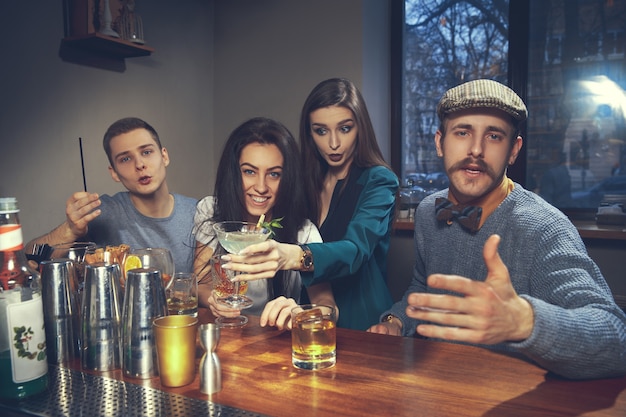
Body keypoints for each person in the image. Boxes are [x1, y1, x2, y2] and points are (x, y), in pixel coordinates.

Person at [367, 79, 626, 380]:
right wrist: (395, 321)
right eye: (462, 132)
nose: (476, 149)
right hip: (435, 386)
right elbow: (423, 288)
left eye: (494, 136)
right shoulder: (428, 210)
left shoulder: (544, 227)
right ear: (440, 142)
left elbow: (615, 338)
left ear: (513, 151)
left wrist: (524, 322)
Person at [219, 78, 399, 330]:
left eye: (345, 129)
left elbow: (356, 251)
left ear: (361, 128)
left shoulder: (379, 180)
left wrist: (294, 256)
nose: (334, 143)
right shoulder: (302, 180)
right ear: (309, 132)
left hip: (362, 320)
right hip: (307, 315)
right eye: (321, 131)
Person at [193, 117, 335, 329]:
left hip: (276, 344)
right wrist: (213, 299)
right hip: (225, 335)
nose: (261, 187)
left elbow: (328, 305)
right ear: (234, 173)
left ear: (287, 178)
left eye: (274, 174)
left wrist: (298, 314)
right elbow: (201, 283)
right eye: (249, 171)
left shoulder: (304, 232)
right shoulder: (211, 212)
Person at [25, 117, 198, 273]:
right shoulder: (101, 212)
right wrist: (70, 230)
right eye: (125, 159)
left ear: (164, 156)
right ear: (114, 173)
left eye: (146, 152)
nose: (139, 164)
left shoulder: (197, 213)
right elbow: (30, 259)